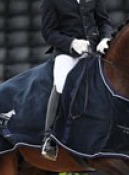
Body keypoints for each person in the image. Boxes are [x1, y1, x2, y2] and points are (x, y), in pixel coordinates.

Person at [40, 0, 112, 161]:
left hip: (95, 49)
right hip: (68, 53)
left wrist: (105, 38)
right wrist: (72, 43)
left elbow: (104, 22)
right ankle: (49, 138)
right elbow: (48, 33)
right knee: (61, 82)